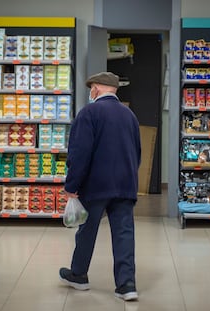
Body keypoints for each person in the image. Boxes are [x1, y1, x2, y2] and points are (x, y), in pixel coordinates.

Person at [59, 71, 141, 301]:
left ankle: (78, 275)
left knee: (87, 229)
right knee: (124, 233)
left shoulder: (89, 113)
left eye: (91, 89)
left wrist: (72, 185)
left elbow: (79, 153)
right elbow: (137, 153)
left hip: (95, 185)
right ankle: (127, 286)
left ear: (96, 89)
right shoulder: (129, 115)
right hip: (125, 184)